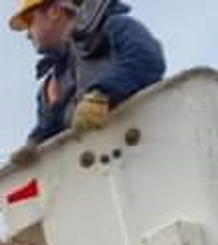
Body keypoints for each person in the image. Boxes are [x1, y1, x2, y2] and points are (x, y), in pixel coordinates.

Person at [14, 0, 166, 148]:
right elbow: (53, 130)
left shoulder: (115, 27)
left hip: (147, 144)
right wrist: (34, 143)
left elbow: (148, 61)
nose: (28, 34)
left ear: (54, 12)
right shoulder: (51, 85)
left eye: (30, 22)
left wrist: (102, 94)